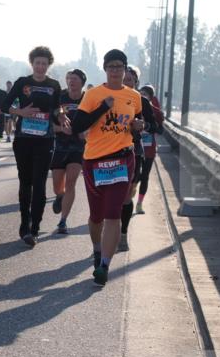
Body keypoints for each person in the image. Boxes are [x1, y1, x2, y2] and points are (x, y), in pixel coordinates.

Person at [70, 49, 145, 286]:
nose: (115, 71)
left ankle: (104, 265)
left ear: (125, 70)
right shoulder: (93, 94)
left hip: (122, 160)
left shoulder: (134, 96)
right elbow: (77, 126)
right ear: (105, 69)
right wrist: (103, 107)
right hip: (95, 161)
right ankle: (96, 248)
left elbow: (137, 126)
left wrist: (137, 127)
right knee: (96, 216)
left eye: (119, 67)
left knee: (113, 214)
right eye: (111, 66)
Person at [3, 46, 65, 247]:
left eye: (44, 64)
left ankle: (35, 228)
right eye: (37, 63)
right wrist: (20, 112)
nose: (40, 66)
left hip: (45, 140)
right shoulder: (23, 83)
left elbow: (57, 108)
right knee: (25, 182)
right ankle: (24, 223)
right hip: (23, 139)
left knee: (39, 184)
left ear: (49, 65)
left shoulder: (54, 85)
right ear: (32, 63)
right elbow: (4, 105)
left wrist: (61, 114)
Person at [118, 66, 159, 251]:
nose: (126, 82)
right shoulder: (108, 99)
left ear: (136, 82)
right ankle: (109, 230)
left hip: (134, 152)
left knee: (127, 195)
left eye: (130, 80)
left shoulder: (142, 101)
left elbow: (155, 127)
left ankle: (123, 234)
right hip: (110, 152)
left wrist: (143, 124)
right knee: (111, 195)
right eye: (123, 79)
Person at [50, 69, 87, 234]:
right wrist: (60, 129)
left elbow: (95, 121)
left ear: (82, 82)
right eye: (70, 78)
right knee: (58, 187)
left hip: (78, 147)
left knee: (71, 182)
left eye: (75, 79)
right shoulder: (59, 98)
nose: (71, 81)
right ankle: (60, 196)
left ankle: (63, 221)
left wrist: (87, 132)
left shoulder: (88, 99)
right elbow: (48, 124)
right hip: (60, 146)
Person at [135, 85, 164, 214]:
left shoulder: (156, 112)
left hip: (149, 148)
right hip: (135, 147)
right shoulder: (133, 108)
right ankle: (130, 194)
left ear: (150, 97)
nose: (142, 96)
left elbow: (161, 130)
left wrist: (148, 126)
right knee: (134, 176)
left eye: (145, 94)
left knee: (145, 176)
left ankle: (140, 203)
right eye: (140, 93)